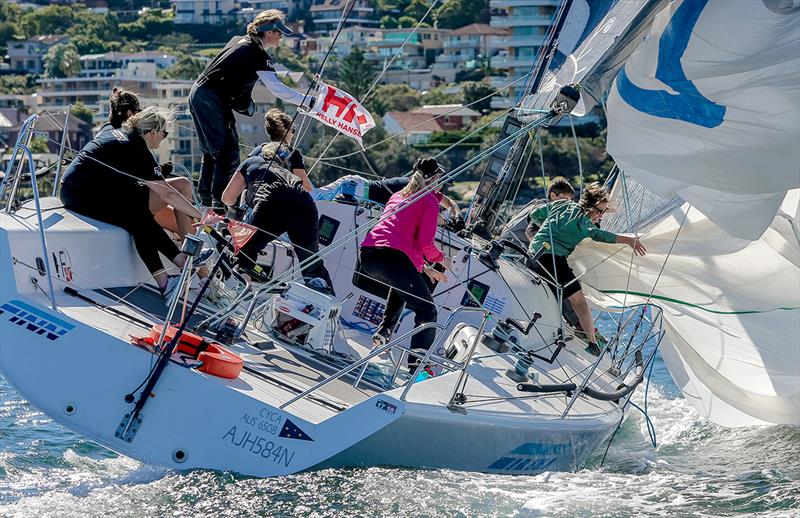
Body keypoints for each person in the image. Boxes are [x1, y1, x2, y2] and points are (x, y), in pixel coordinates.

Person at [60, 107, 205, 297]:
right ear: (153, 132)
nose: (164, 139)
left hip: (78, 188)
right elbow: (168, 195)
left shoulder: (119, 133)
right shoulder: (138, 150)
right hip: (81, 195)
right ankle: (177, 265)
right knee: (136, 216)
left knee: (137, 212)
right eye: (164, 133)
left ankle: (170, 274)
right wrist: (202, 216)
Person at [189, 9, 314, 210]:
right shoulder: (256, 54)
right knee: (227, 151)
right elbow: (276, 88)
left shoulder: (239, 40)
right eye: (279, 32)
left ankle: (205, 202)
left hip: (200, 93)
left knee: (213, 152)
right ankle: (218, 206)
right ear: (268, 31)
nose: (281, 36)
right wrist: (308, 101)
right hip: (211, 98)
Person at [359, 157, 453, 374]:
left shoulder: (398, 195)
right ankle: (418, 369)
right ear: (434, 179)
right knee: (427, 310)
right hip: (392, 258)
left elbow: (404, 242)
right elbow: (425, 243)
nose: (441, 183)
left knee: (403, 283)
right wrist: (441, 259)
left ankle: (384, 331)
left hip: (368, 256)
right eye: (440, 178)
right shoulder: (428, 200)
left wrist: (424, 269)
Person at [528, 182, 646, 356]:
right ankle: (592, 342)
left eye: (604, 212)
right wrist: (628, 240)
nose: (600, 215)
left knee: (557, 292)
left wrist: (548, 227)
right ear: (589, 207)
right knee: (579, 301)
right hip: (552, 258)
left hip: (533, 253)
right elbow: (599, 235)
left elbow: (534, 214)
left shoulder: (562, 203)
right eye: (599, 211)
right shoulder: (584, 221)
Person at [221, 141, 334, 293]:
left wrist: (243, 201)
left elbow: (227, 198)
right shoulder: (285, 171)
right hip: (305, 203)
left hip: (274, 199)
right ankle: (327, 302)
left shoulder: (251, 161)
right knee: (311, 264)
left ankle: (237, 293)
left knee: (244, 252)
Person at [314, 173, 461, 219]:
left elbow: (449, 202)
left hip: (361, 194)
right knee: (314, 198)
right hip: (357, 188)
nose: (442, 187)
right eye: (441, 183)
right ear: (434, 180)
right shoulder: (418, 190)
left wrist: (458, 216)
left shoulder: (428, 193)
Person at [248, 108, 312, 192]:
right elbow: (306, 188)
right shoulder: (292, 154)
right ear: (285, 131)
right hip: (282, 201)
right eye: (292, 131)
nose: (293, 135)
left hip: (257, 201)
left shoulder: (255, 152)